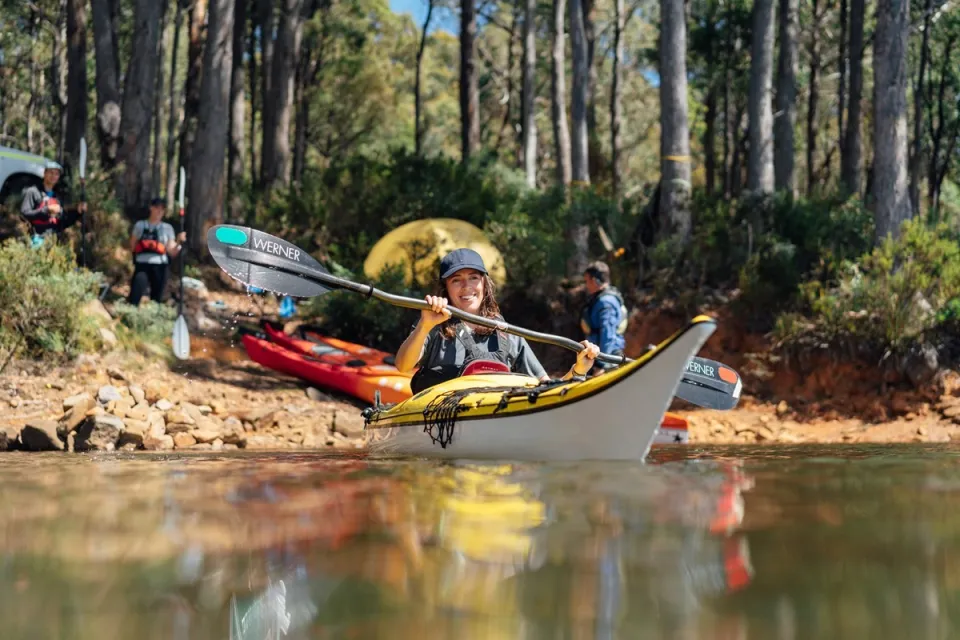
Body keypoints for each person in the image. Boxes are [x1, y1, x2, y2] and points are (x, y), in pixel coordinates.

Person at [395, 248, 600, 394]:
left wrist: (579, 370)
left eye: (474, 278)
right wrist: (424, 326)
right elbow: (402, 366)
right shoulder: (432, 324)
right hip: (439, 421)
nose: (466, 286)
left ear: (484, 283)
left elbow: (546, 390)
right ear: (445, 288)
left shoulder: (507, 334)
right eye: (456, 280)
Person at [127, 197, 186, 305]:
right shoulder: (140, 225)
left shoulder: (167, 228)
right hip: (142, 265)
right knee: (135, 293)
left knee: (157, 297)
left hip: (160, 267)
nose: (159, 211)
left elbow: (172, 251)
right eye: (157, 207)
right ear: (151, 208)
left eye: (162, 209)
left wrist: (178, 241)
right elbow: (132, 246)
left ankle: (154, 317)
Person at [20, 161, 86, 246]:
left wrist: (78, 212)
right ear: (44, 173)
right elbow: (24, 214)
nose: (53, 176)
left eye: (56, 174)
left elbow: (62, 223)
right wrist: (46, 210)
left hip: (53, 242)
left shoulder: (57, 196)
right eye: (50, 172)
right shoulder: (33, 192)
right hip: (34, 240)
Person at [580, 261, 628, 372]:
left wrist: (601, 364)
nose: (586, 285)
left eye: (587, 281)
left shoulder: (606, 303)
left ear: (594, 280)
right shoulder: (600, 299)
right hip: (600, 356)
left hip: (609, 358)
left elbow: (608, 334)